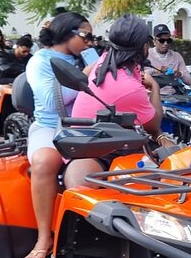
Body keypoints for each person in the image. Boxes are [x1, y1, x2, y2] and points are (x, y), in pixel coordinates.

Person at [67, 15, 174, 188]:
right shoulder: (128, 87)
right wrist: (154, 87)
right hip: (104, 151)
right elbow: (154, 126)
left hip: (93, 140)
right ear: (142, 47)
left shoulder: (104, 61)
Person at [24, 12, 94, 258]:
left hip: (88, 127)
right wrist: (86, 74)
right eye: (86, 36)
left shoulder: (87, 57)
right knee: (44, 161)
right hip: (50, 126)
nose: (91, 42)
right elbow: (52, 100)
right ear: (67, 32)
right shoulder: (40, 60)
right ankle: (44, 237)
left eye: (93, 37)